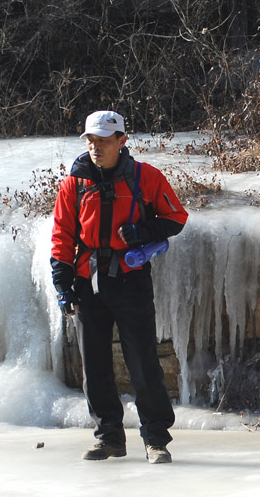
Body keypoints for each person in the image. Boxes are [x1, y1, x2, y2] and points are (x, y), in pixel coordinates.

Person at [50, 110, 189, 463]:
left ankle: (155, 439)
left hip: (131, 278)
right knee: (95, 366)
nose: (95, 146)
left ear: (122, 141)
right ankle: (108, 437)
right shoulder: (74, 183)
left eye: (102, 140)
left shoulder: (146, 177)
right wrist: (63, 285)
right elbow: (63, 236)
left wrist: (143, 232)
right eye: (90, 140)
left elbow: (176, 218)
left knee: (143, 363)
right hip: (87, 280)